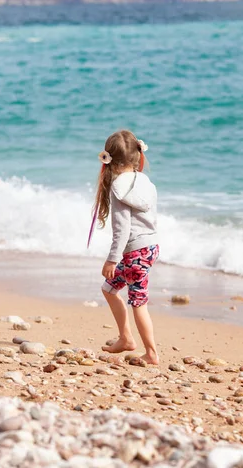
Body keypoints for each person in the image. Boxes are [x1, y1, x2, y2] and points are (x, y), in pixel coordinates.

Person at [92, 130, 159, 365]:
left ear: (109, 159)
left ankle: (151, 353)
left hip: (134, 253)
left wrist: (112, 259)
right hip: (149, 247)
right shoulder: (145, 182)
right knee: (109, 289)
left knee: (139, 303)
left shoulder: (119, 188)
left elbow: (122, 229)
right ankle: (126, 338)